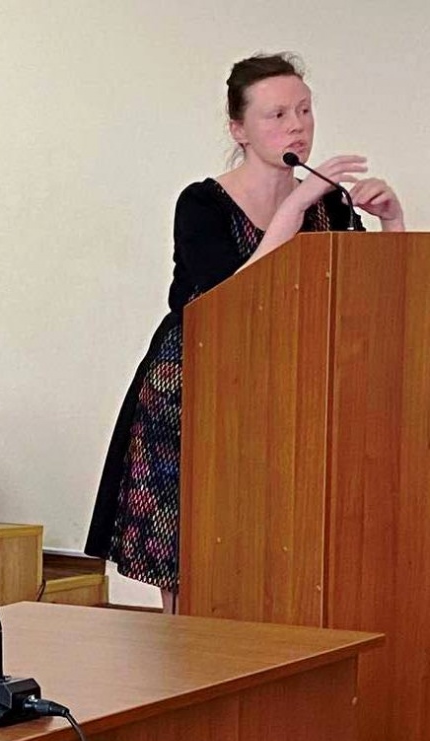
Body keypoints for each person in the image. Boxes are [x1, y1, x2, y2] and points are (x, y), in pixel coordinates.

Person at [86, 52, 405, 610]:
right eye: (277, 115)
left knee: (271, 549)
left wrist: (392, 220)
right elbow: (231, 304)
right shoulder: (201, 203)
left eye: (304, 111)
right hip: (197, 389)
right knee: (189, 553)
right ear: (239, 129)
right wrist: (294, 209)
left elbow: (370, 302)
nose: (297, 126)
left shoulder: (329, 205)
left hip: (283, 394)